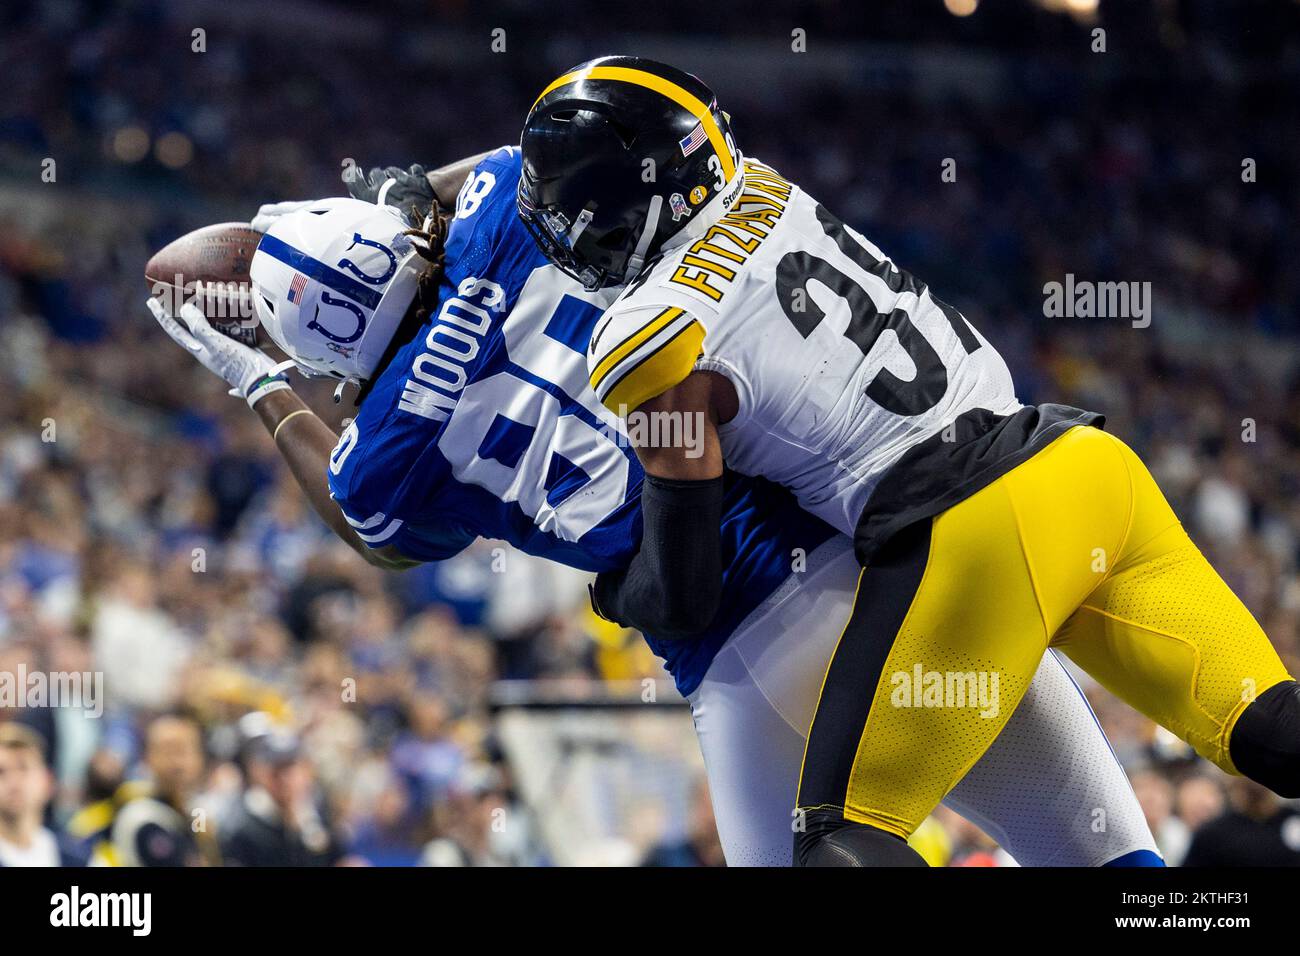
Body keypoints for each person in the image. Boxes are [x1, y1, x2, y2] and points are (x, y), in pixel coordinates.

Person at [145, 151, 1159, 867]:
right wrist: (419, 192)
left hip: (732, 663)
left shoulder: (380, 468)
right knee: (1113, 859)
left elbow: (357, 522)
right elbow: (506, 161)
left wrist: (259, 385)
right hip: (871, 568)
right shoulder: (500, 208)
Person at [517, 55, 1300, 865]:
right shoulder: (761, 186)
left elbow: (681, 591)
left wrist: (615, 593)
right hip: (1088, 468)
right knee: (1275, 733)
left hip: (973, 528)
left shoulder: (655, 339)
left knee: (838, 845)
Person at [0, 723, 87, 867]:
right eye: (1, 772)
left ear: (47, 781)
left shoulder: (78, 857)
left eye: (23, 768)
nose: (13, 781)